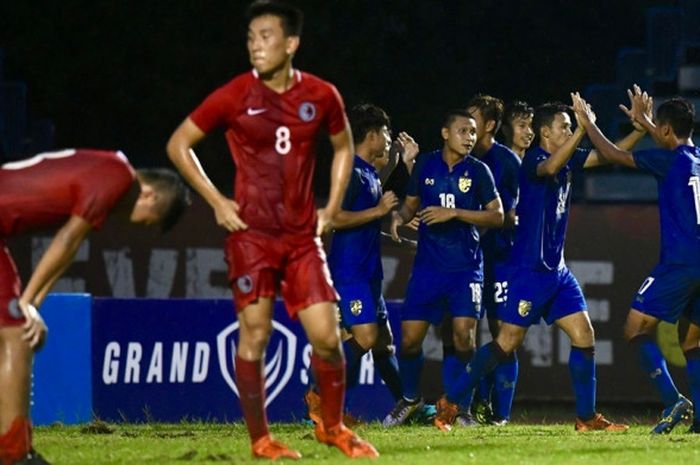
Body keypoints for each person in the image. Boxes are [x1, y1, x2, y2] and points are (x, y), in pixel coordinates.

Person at [166, 1, 377, 459]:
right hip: (252, 237)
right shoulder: (235, 94)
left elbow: (343, 148)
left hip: (302, 238)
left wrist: (332, 207)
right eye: (250, 38)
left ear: (291, 44)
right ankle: (261, 439)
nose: (256, 46)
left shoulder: (321, 95)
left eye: (265, 37)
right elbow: (179, 143)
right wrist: (217, 201)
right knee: (256, 335)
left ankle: (333, 427)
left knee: (326, 335)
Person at [433, 94, 643, 432]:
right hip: (527, 272)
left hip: (557, 272)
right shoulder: (532, 161)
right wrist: (584, 129)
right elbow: (550, 167)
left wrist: (637, 130)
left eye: (571, 126)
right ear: (547, 133)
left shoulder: (567, 159)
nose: (570, 129)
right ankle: (451, 402)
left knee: (584, 335)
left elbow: (608, 156)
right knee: (506, 344)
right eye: (565, 126)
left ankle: (586, 418)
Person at [0, 148, 189, 465]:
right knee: (17, 334)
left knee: (17, 332)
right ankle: (15, 454)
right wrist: (26, 304)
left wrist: (32, 305)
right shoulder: (118, 175)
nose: (137, 226)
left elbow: (69, 251)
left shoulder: (107, 171)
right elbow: (67, 240)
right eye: (148, 223)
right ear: (151, 196)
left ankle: (15, 451)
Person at [572, 87, 699, 434]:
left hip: (681, 263)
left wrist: (587, 124)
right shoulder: (697, 157)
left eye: (658, 127)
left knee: (635, 329)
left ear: (667, 130)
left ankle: (673, 400)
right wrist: (644, 120)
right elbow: (665, 135)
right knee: (692, 341)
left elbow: (612, 154)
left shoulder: (667, 159)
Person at [381, 109, 504, 427]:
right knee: (409, 339)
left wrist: (457, 214)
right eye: (464, 131)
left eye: (473, 133)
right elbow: (411, 203)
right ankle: (409, 399)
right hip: (428, 268)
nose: (470, 137)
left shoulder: (478, 171)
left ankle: (460, 408)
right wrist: (399, 218)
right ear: (445, 133)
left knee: (464, 338)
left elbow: (497, 216)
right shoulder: (426, 164)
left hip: (465, 268)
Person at [305, 104, 419, 422]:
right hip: (350, 272)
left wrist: (401, 160)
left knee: (383, 345)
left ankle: (405, 407)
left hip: (369, 273)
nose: (388, 137)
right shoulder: (349, 170)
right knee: (366, 339)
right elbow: (332, 219)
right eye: (385, 133)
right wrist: (378, 212)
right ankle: (318, 396)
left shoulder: (367, 172)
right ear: (371, 135)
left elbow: (372, 205)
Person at [466, 94, 522, 426]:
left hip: (500, 258)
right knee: (465, 333)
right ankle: (472, 404)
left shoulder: (506, 162)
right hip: (468, 262)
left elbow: (506, 216)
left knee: (502, 334)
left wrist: (461, 230)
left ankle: (500, 414)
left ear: (489, 125)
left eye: (473, 117)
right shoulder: (460, 158)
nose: (466, 124)